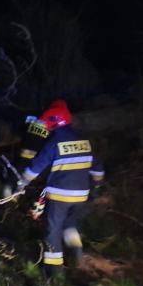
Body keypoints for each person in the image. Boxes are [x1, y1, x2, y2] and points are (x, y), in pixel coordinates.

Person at [18, 100, 104, 276]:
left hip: (59, 196)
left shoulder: (54, 142)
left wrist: (20, 184)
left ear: (53, 122)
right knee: (70, 225)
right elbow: (98, 169)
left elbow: (35, 168)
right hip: (81, 196)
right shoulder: (84, 141)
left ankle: (54, 270)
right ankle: (76, 258)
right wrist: (96, 187)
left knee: (53, 230)